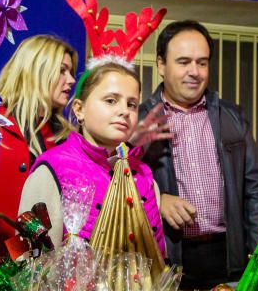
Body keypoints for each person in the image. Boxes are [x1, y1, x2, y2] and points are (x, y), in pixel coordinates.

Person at [139, 20, 258, 289]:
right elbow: (113, 185)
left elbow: (255, 192)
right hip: (167, 260)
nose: (194, 72)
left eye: (202, 62)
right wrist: (156, 199)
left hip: (229, 259)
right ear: (161, 65)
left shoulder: (231, 117)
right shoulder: (140, 120)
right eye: (184, 61)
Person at [0, 35, 77, 259]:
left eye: (71, 72)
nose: (71, 80)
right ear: (36, 68)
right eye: (62, 70)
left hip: (44, 271)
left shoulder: (66, 139)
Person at [18, 62, 164, 252]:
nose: (124, 111)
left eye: (132, 104)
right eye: (111, 100)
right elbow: (31, 263)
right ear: (79, 109)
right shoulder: (51, 170)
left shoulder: (145, 176)